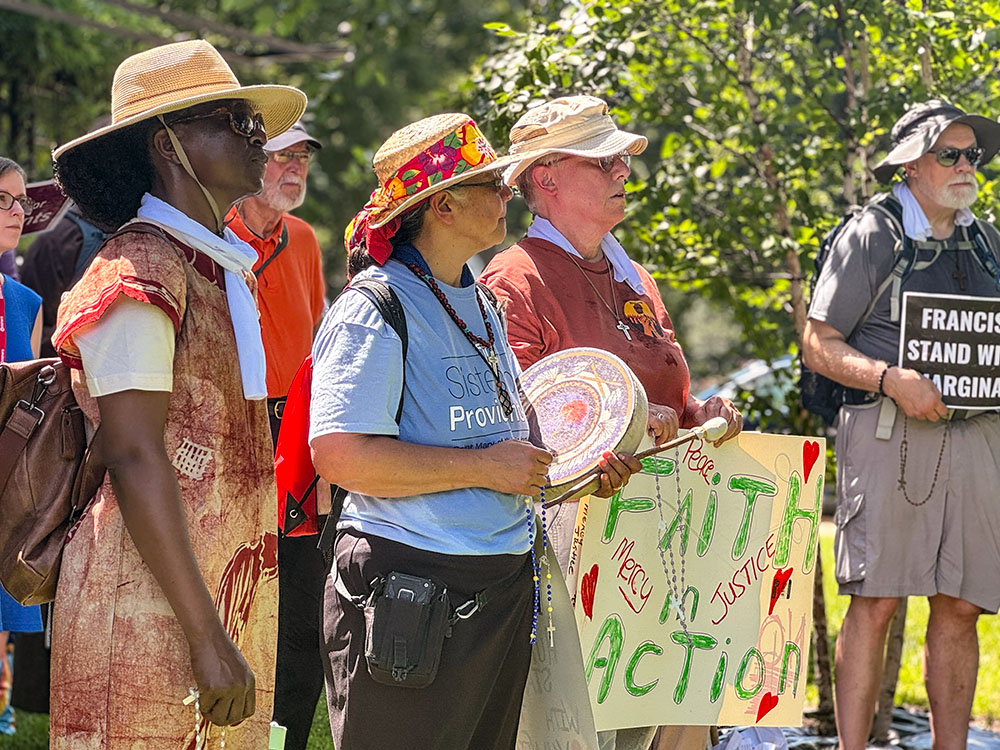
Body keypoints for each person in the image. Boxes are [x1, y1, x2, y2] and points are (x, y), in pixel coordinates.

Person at [310, 112, 637, 749]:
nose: (507, 193)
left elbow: (515, 437)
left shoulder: (481, 302)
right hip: (406, 590)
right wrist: (484, 470)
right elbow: (340, 455)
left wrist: (583, 465)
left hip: (496, 588)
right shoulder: (374, 306)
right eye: (491, 183)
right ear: (446, 205)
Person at [48, 40, 306, 748]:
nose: (259, 139)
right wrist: (206, 636)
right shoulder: (139, 272)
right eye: (233, 119)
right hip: (146, 611)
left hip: (216, 602)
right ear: (169, 144)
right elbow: (132, 455)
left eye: (256, 123)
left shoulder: (218, 268)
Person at [480, 95, 742, 750]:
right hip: (575, 555)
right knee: (590, 729)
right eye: (603, 160)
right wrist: (621, 424)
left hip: (671, 540)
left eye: (621, 158)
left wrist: (699, 412)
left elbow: (668, 398)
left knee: (679, 715)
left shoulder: (635, 278)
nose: (623, 170)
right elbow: (519, 416)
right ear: (547, 177)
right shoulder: (516, 279)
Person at [802, 100, 1000, 750]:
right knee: (877, 600)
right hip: (889, 436)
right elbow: (817, 341)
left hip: (977, 441)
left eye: (973, 154)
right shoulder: (872, 231)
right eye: (951, 154)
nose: (967, 166)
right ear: (912, 165)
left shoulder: (988, 239)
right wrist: (892, 381)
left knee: (962, 605)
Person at [226, 120, 326, 750]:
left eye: (302, 158)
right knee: (234, 606)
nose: (295, 169)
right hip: (230, 436)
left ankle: (281, 740)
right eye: (279, 157)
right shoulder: (210, 239)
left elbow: (317, 352)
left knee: (302, 623)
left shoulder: (305, 240)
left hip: (298, 445)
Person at [0, 156, 44, 736]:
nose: (17, 211)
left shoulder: (25, 302)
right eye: (2, 199)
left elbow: (28, 415)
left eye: (18, 201)